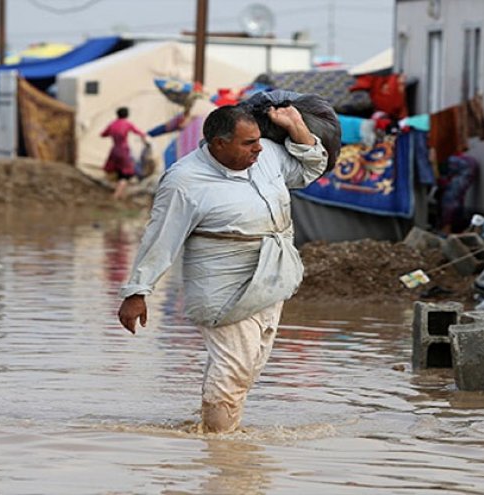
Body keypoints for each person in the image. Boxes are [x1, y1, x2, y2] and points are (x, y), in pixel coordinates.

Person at [117, 104, 328, 433]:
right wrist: (137, 292)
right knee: (233, 368)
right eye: (247, 143)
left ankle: (213, 433)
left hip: (272, 276)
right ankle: (220, 453)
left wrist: (296, 125)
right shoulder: (184, 181)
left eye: (258, 140)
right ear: (218, 144)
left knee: (250, 365)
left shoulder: (268, 155)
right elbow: (161, 237)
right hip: (222, 285)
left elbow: (312, 168)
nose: (257, 148)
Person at [101, 107, 150, 200]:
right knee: (126, 175)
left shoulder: (112, 124)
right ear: (127, 115)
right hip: (123, 151)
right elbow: (139, 132)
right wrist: (145, 140)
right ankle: (115, 195)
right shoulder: (127, 124)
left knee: (118, 172)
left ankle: (121, 195)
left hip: (114, 150)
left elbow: (103, 134)